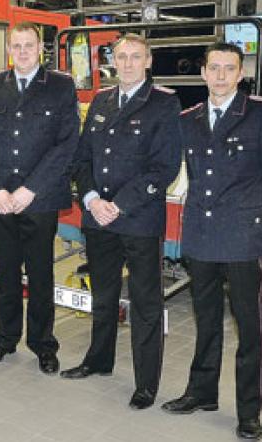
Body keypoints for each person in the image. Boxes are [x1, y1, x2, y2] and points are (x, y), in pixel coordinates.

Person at [162, 42, 262, 441]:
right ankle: (201, 393)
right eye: (213, 68)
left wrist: (251, 218)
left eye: (229, 68)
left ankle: (249, 412)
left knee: (249, 327)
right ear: (203, 73)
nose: (220, 75)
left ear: (241, 74)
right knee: (206, 323)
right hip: (201, 236)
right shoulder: (189, 119)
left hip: (241, 238)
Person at [60, 34, 182, 410]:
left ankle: (146, 383)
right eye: (120, 57)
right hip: (99, 219)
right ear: (111, 61)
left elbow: (165, 167)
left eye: (135, 57)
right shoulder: (101, 101)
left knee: (145, 303)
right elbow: (82, 159)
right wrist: (93, 199)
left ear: (148, 61)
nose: (126, 63)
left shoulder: (164, 103)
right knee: (104, 295)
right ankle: (99, 360)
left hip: (139, 220)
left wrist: (119, 205)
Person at [0, 21, 79, 374]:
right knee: (5, 273)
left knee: (39, 274)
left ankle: (42, 343)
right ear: (8, 48)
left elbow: (67, 143)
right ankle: (5, 338)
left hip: (41, 198)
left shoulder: (61, 86)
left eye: (29, 45)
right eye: (16, 45)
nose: (22, 51)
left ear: (40, 48)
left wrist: (31, 188)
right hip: (0, 200)